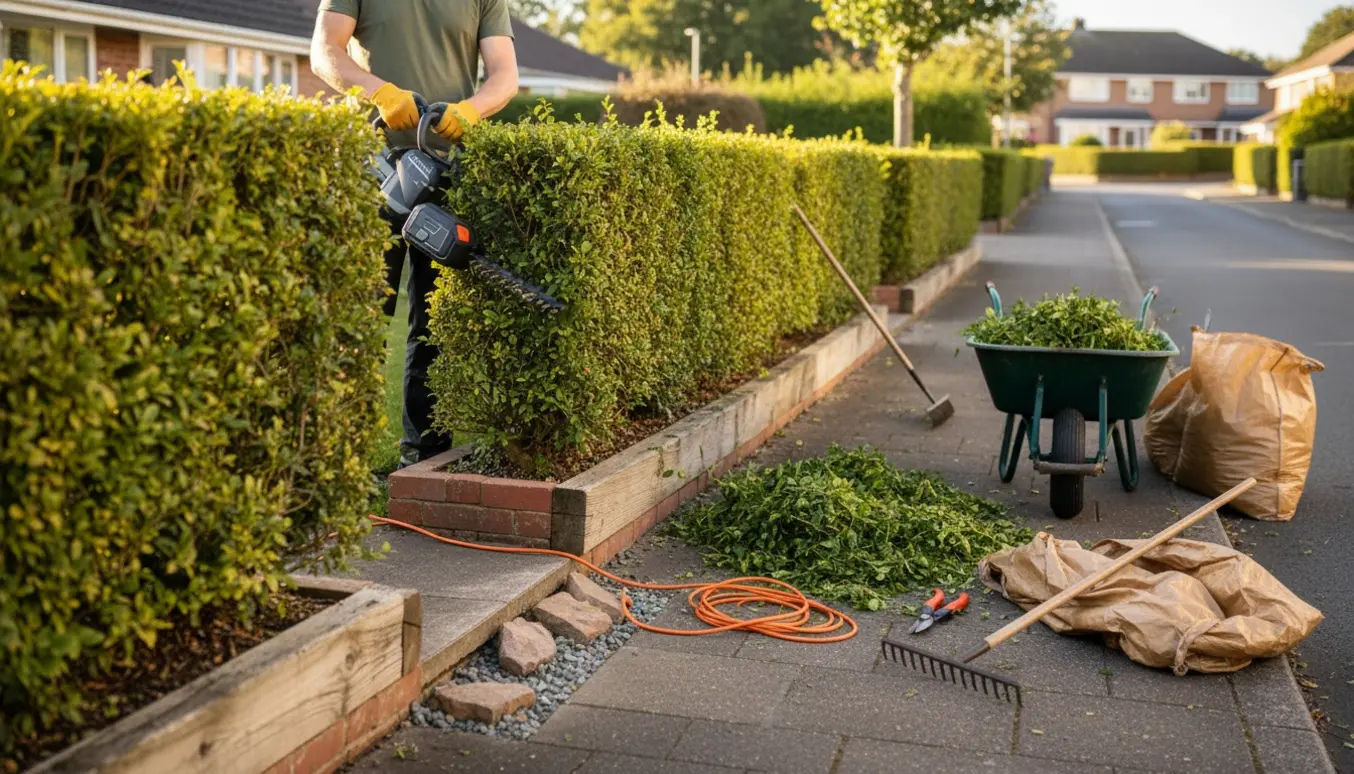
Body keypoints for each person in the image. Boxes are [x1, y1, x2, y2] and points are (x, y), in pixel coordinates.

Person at [310, 1, 519, 467]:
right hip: (371, 171)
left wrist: (470, 111)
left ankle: (422, 460)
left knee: (433, 329)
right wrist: (379, 91)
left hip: (446, 175)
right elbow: (325, 51)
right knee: (356, 321)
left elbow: (504, 75)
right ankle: (338, 463)